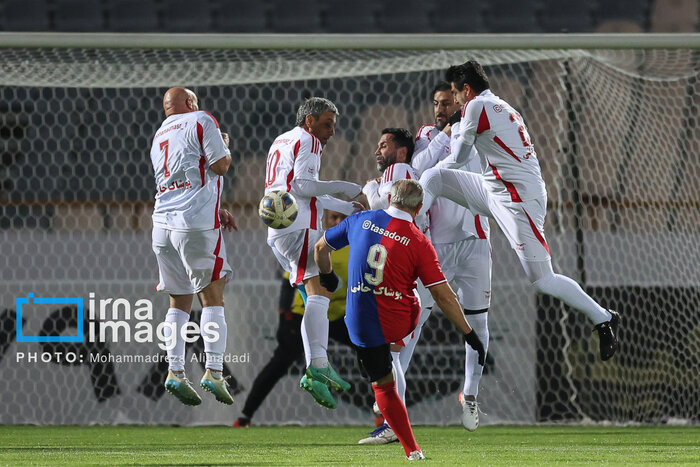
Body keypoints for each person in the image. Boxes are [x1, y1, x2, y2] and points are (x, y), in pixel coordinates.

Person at [419, 60, 619, 361]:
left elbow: (459, 157)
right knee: (433, 178)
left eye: (455, 94)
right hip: (492, 187)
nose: (455, 100)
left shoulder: (476, 107)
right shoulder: (498, 105)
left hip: (518, 201)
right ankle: (404, 232)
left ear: (467, 90)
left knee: (542, 280)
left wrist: (453, 129)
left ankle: (603, 317)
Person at [314, 179, 486, 461]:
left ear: (390, 198)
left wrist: (327, 277)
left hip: (357, 323)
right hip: (398, 322)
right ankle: (398, 344)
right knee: (418, 299)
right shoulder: (419, 241)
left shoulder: (360, 219)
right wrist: (468, 333)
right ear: (419, 208)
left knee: (382, 383)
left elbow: (321, 248)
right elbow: (443, 295)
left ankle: (412, 450)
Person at [264, 97, 363, 409]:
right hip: (298, 227)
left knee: (312, 296)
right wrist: (346, 187)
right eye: (326, 124)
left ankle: (317, 363)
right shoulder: (309, 140)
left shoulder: (282, 140)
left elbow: (299, 190)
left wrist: (347, 207)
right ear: (309, 121)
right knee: (320, 293)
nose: (331, 132)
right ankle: (316, 367)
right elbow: (305, 186)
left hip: (278, 225)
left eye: (333, 125)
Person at [150, 87, 238, 406]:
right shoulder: (202, 119)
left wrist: (217, 209)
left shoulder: (160, 134)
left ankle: (175, 371)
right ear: (189, 103)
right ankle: (214, 371)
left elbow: (183, 181)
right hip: (194, 225)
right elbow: (220, 167)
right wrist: (224, 147)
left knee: (179, 302)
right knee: (213, 296)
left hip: (162, 227)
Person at [412, 82, 493, 431]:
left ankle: (470, 395)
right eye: (437, 103)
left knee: (479, 323)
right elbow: (419, 167)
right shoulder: (429, 135)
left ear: (462, 100)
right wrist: (446, 133)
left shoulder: (480, 133)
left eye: (448, 102)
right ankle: (390, 399)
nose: (442, 107)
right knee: (415, 318)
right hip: (439, 246)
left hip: (476, 241)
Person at [233, 211, 354, 427]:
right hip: (303, 314)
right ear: (324, 219)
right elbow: (288, 283)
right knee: (280, 362)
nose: (337, 222)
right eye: (333, 217)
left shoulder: (354, 247)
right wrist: (283, 317)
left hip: (338, 316)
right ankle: (245, 416)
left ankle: (382, 412)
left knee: (370, 351)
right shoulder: (314, 244)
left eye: (342, 218)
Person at [359, 128, 418, 444]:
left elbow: (383, 208)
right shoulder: (403, 174)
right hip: (402, 273)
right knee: (393, 357)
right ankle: (388, 417)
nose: (377, 151)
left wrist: (370, 190)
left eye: (384, 145)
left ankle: (393, 427)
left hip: (402, 275)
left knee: (391, 354)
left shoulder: (398, 171)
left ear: (402, 152)